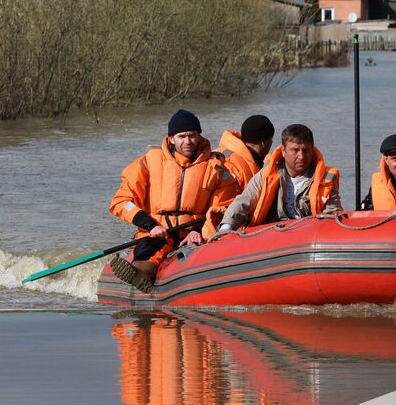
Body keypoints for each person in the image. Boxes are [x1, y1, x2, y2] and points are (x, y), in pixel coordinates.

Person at [108, 109, 238, 292]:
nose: (188, 141)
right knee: (148, 251)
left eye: (192, 136)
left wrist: (198, 230)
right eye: (182, 136)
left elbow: (222, 207)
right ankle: (140, 274)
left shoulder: (216, 169)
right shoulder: (147, 163)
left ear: (199, 137)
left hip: (195, 232)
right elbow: (122, 202)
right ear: (171, 139)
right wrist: (150, 225)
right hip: (156, 232)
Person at [218, 124, 343, 231]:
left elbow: (333, 214)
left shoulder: (326, 179)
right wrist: (226, 227)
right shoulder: (267, 174)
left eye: (306, 150)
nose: (301, 156)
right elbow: (244, 201)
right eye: (295, 150)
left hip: (308, 236)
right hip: (271, 235)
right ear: (283, 151)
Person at [217, 114, 275, 189]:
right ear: (264, 143)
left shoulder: (220, 152)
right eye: (271, 139)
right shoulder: (239, 169)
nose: (272, 142)